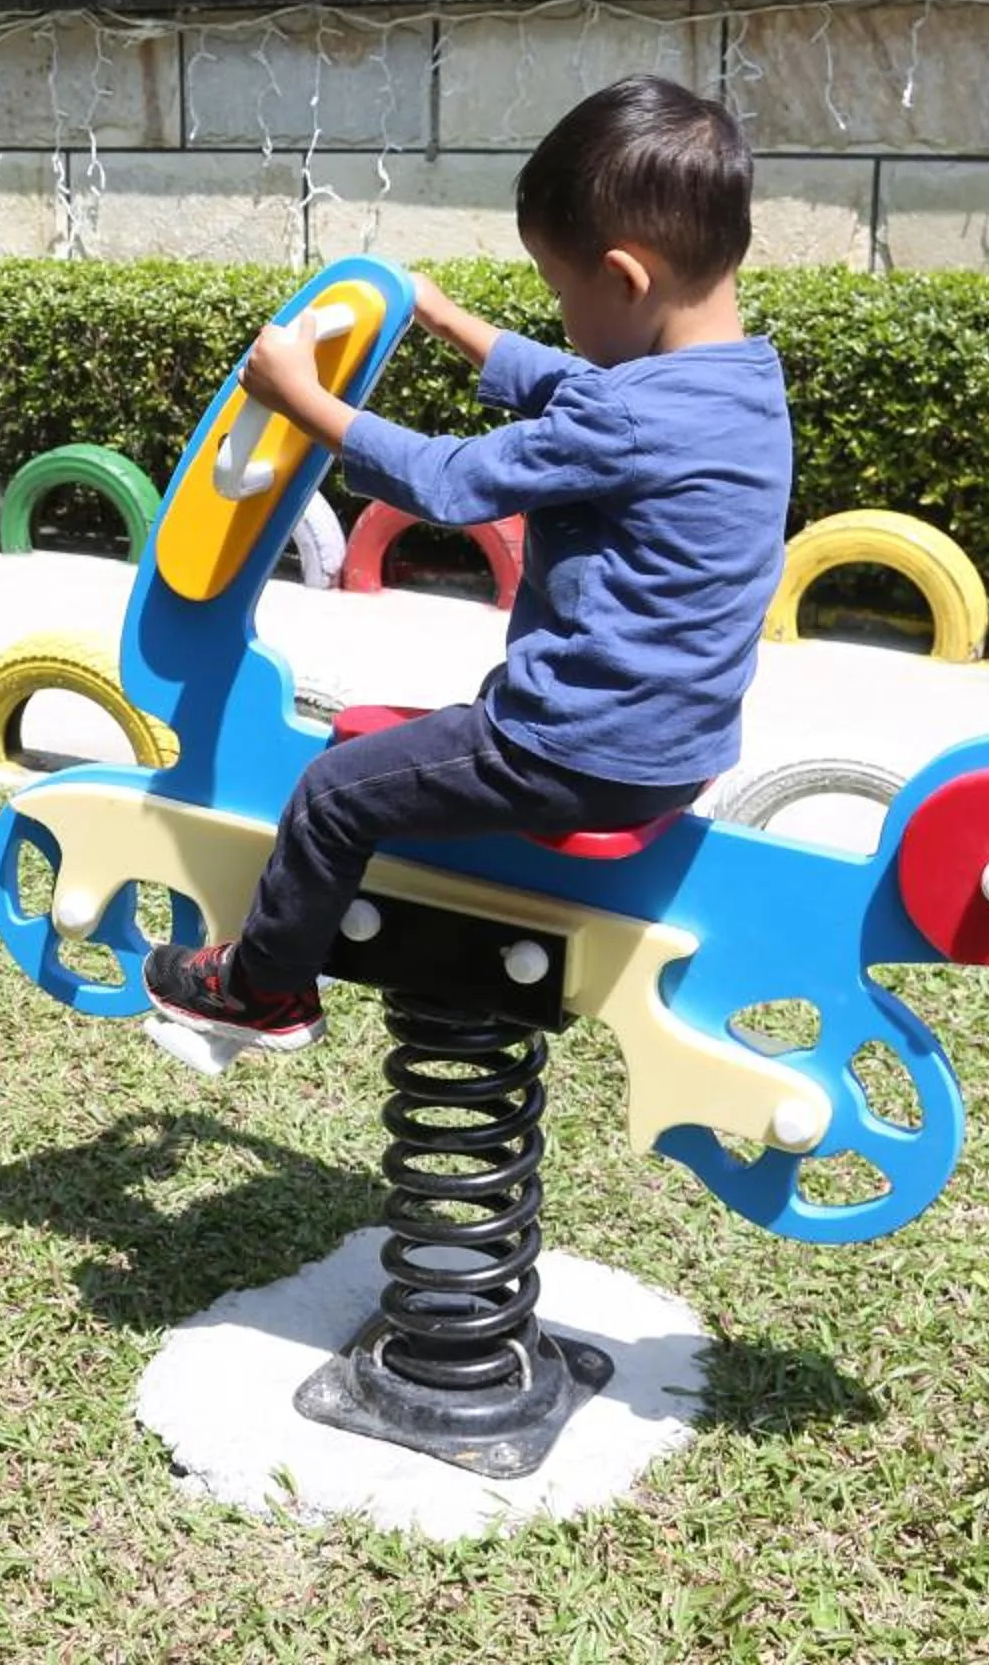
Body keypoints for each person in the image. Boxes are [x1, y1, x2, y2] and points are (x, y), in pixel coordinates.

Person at [141, 74, 794, 1055]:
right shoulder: (741, 385)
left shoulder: (621, 415)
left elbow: (447, 482)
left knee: (332, 792)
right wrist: (444, 317)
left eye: (563, 291)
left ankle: (260, 988)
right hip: (677, 752)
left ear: (624, 278)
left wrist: (298, 397)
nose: (562, 315)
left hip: (569, 749)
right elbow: (579, 381)